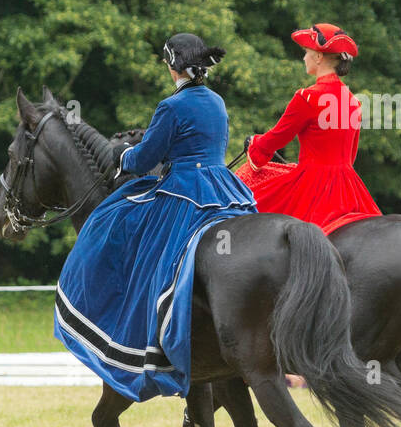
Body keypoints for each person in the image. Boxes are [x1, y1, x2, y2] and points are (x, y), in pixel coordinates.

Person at [54, 33, 256, 403]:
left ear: (172, 66)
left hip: (184, 190)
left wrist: (123, 157)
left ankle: (140, 334)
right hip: (224, 189)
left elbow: (146, 159)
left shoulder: (171, 106)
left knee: (114, 223)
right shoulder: (217, 102)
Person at [238, 23, 381, 234]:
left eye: (306, 52)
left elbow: (276, 139)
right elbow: (350, 155)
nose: (304, 58)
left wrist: (255, 145)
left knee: (244, 201)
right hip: (349, 186)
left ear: (319, 57)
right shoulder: (352, 101)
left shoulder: (308, 97)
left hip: (313, 186)